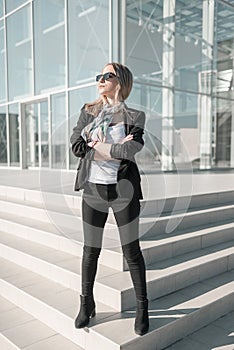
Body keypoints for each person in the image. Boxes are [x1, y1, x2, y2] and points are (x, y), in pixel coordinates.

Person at [70, 62, 149, 336]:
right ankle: (86, 303)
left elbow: (133, 149)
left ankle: (142, 308)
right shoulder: (88, 112)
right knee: (90, 251)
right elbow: (77, 147)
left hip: (124, 191)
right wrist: (112, 148)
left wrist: (97, 144)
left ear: (121, 81)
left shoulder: (136, 116)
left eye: (107, 76)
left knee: (132, 253)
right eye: (99, 76)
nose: (101, 80)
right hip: (93, 190)